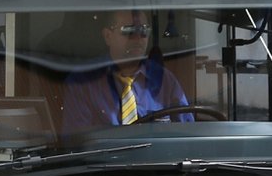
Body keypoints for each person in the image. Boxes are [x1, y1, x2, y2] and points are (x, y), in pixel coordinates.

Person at [62, 8, 192, 130]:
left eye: (143, 31)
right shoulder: (83, 82)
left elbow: (188, 132)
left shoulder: (164, 79)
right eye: (129, 31)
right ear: (108, 36)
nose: (137, 39)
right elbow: (78, 142)